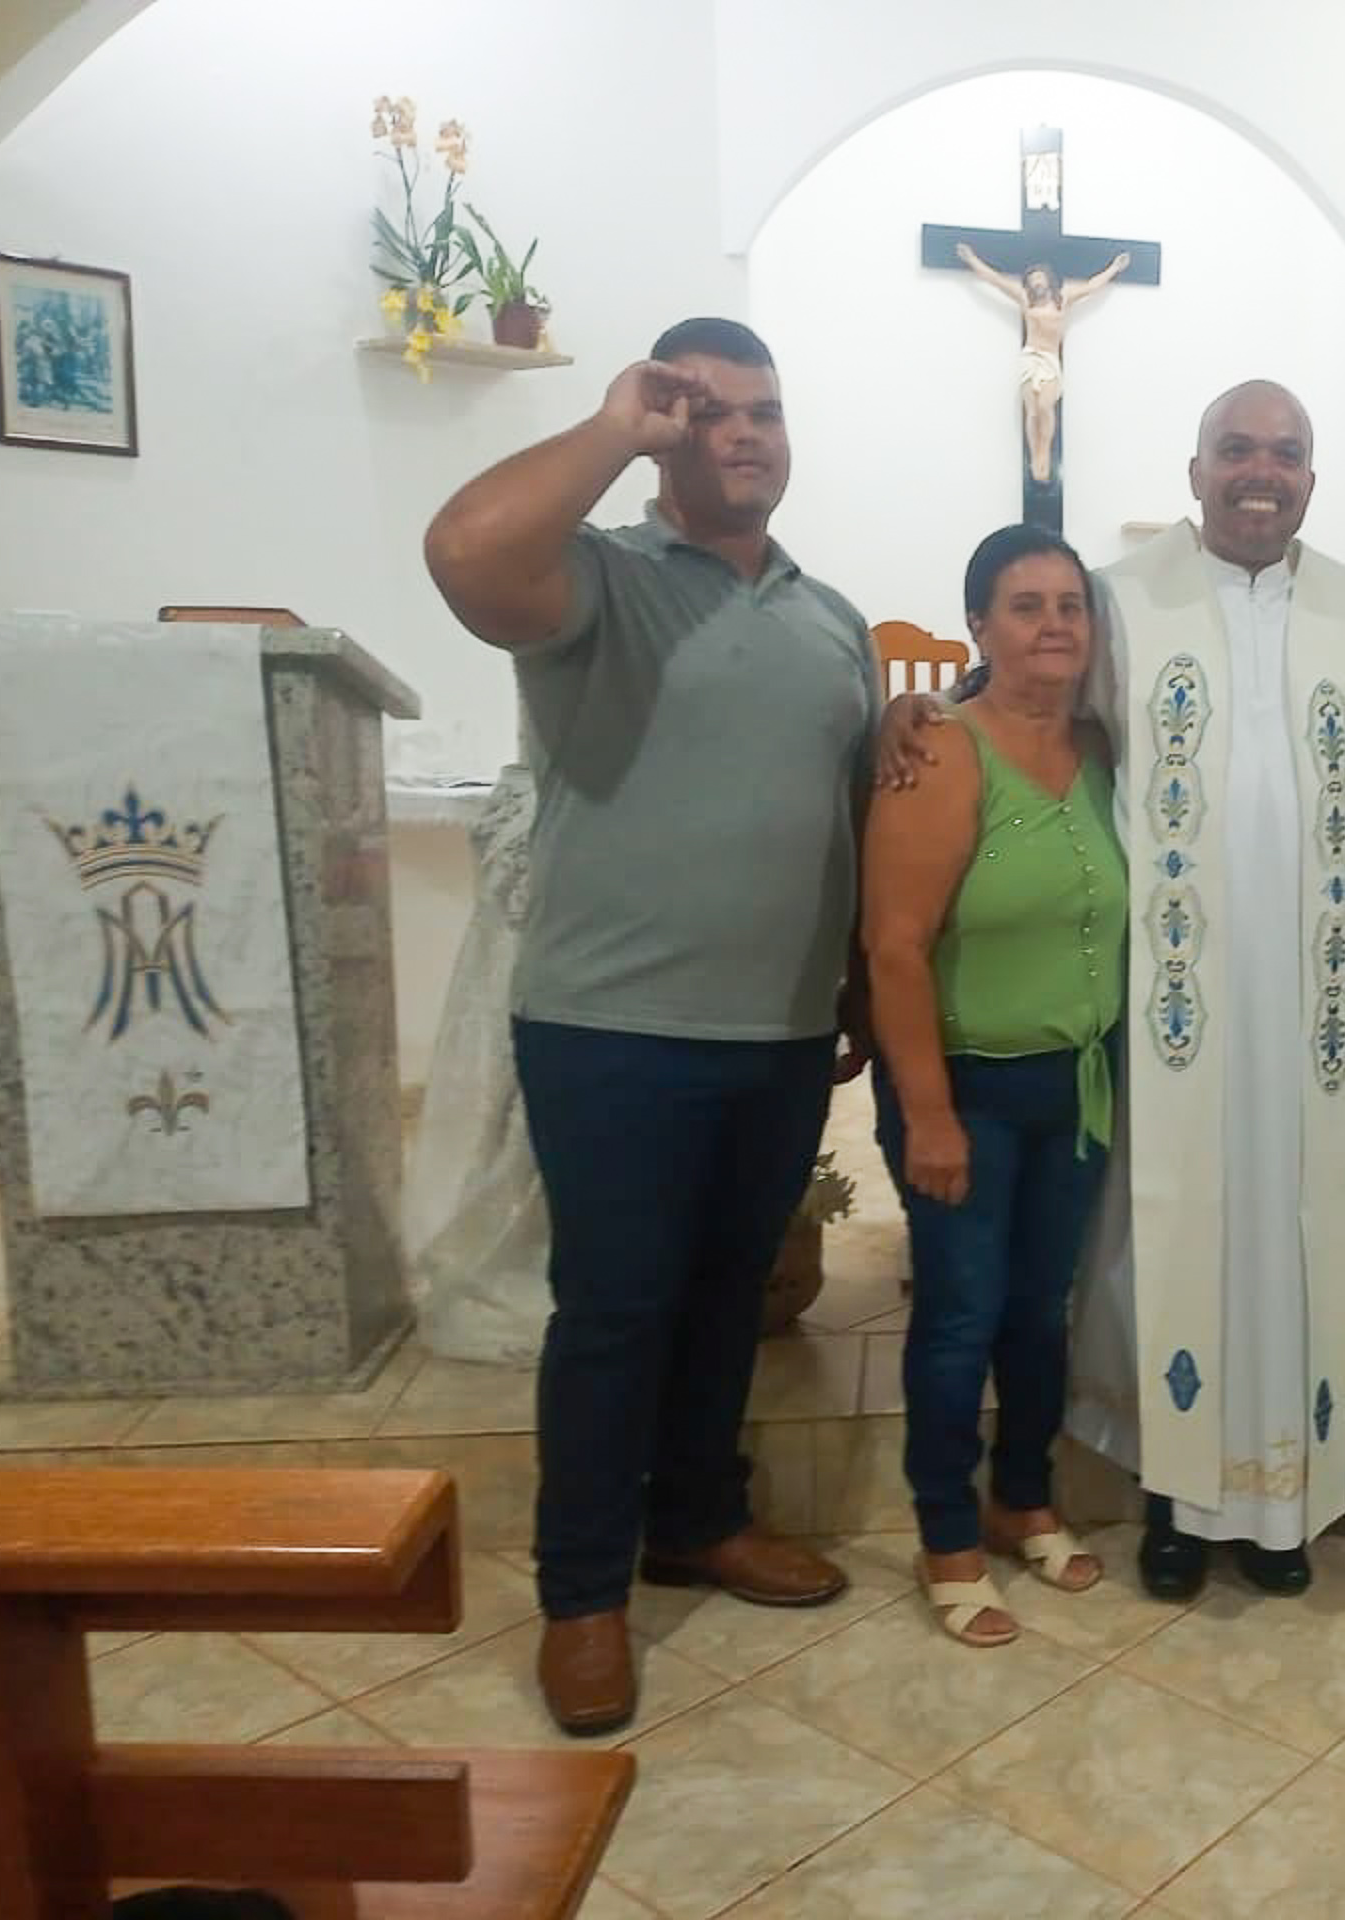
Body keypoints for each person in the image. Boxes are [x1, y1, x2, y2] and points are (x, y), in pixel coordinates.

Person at [879, 379, 1345, 1601]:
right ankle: (1178, 1497)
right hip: (1181, 1015)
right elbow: (1028, 705)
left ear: (1310, 478)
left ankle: (1285, 1509)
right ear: (1196, 469)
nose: (1259, 472)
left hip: (1315, 1015)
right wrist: (917, 709)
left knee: (1301, 1230)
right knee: (1175, 1237)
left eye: (1285, 452)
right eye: (1237, 449)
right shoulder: (1123, 600)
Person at [423, 317, 876, 1736]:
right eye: (708, 411)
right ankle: (581, 1596)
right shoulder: (598, 579)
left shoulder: (832, 619)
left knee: (729, 1295)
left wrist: (854, 985)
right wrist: (619, 428)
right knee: (616, 1311)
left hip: (778, 1030)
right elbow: (462, 551)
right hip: (611, 1024)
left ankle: (697, 1519)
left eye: (764, 410)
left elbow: (849, 810)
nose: (742, 433)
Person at [860, 523, 1127, 1648]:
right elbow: (894, 948)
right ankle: (945, 1533)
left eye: (1070, 605)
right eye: (1026, 606)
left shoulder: (1106, 750)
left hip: (1074, 1084)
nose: (1054, 625)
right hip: (964, 1088)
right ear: (979, 624)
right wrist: (927, 1114)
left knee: (1038, 1309)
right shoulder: (942, 751)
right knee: (960, 1315)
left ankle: (1023, 1499)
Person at [954, 243, 1133, 485]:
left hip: (1050, 359)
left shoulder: (1063, 299)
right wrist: (972, 259)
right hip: (1030, 357)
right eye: (1032, 280)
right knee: (1032, 410)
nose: (1036, 283)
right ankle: (1034, 455)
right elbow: (996, 280)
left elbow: (1091, 286)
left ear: (1048, 280)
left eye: (1040, 278)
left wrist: (1114, 268)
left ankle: (1044, 453)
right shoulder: (1025, 299)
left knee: (1045, 406)